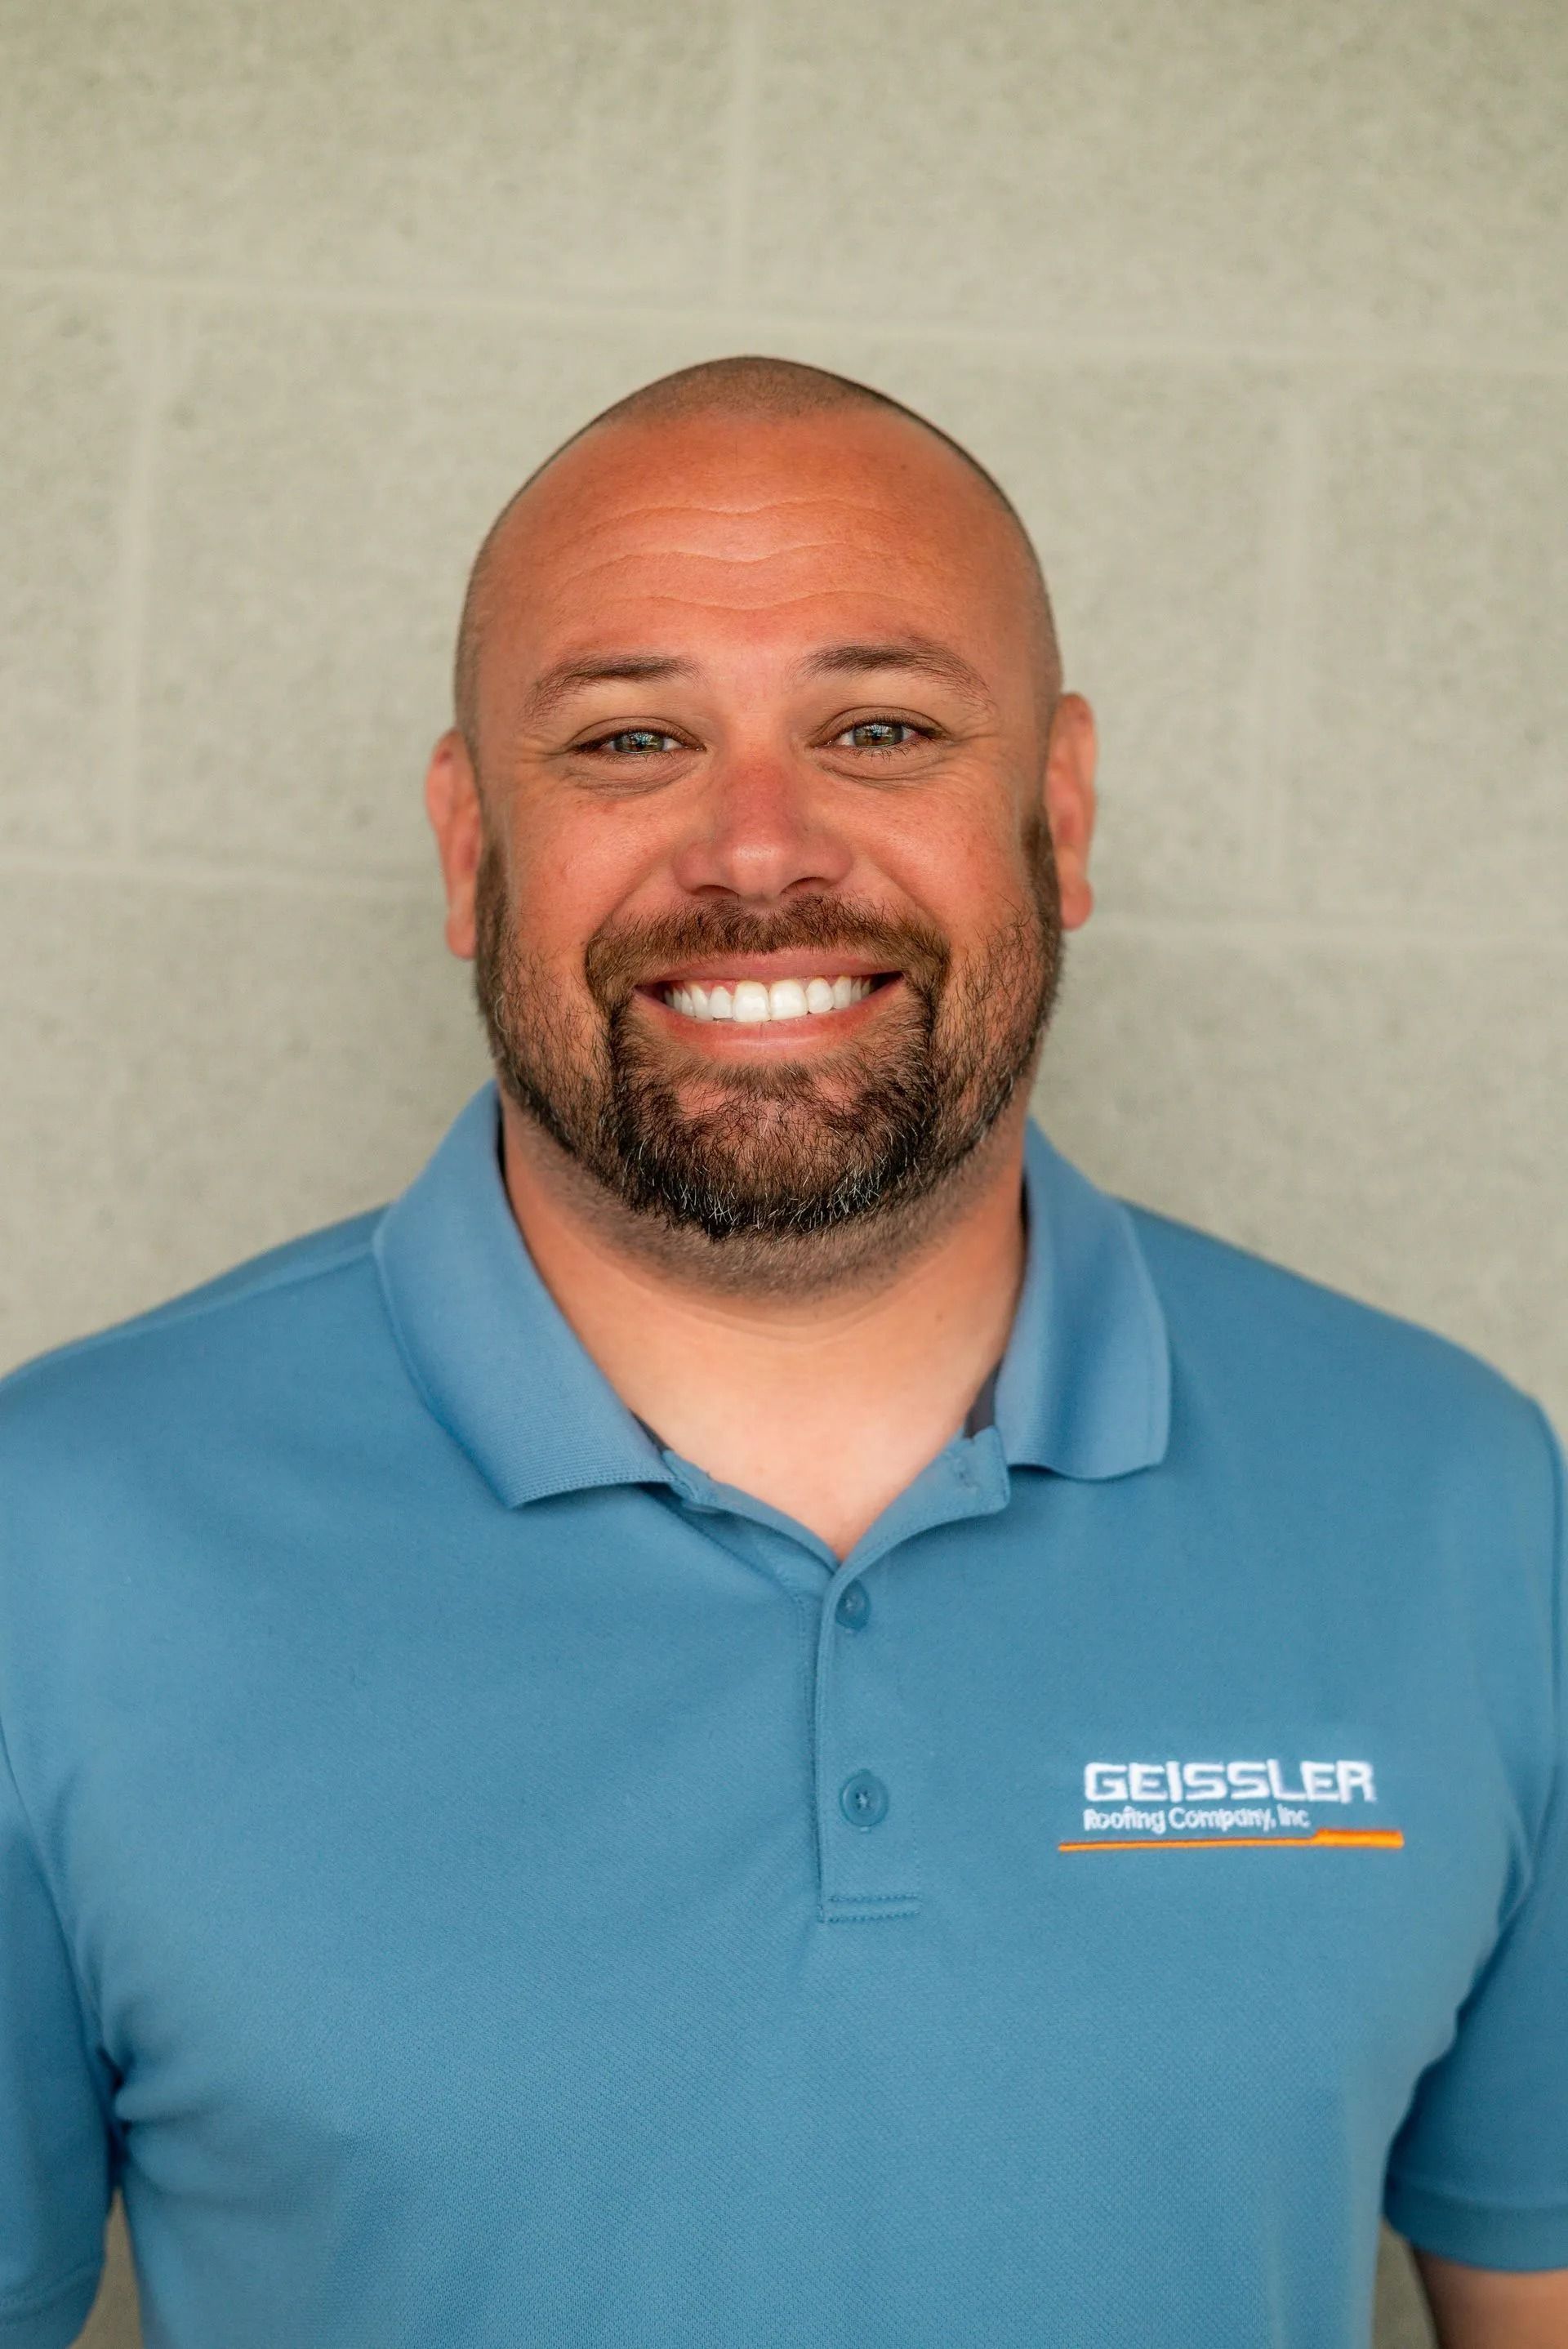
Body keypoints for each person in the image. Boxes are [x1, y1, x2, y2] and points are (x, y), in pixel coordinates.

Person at [0, 357, 1562, 2349]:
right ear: (470, 847)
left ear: (1058, 810)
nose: (756, 850)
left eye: (880, 727)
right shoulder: (58, 1537)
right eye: (633, 738)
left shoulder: (1452, 1500)